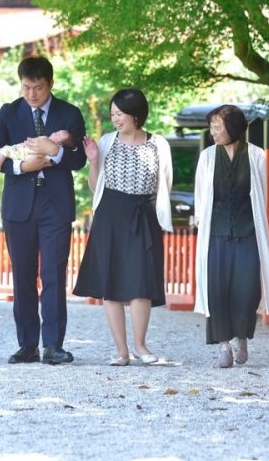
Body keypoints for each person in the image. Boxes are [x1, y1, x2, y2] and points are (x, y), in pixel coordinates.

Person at [0, 56, 87, 365]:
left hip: (55, 204)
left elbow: (78, 160)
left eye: (38, 88)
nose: (31, 95)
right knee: (22, 275)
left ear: (50, 84)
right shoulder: (9, 113)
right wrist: (21, 166)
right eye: (26, 87)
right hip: (19, 205)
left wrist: (55, 152)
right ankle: (27, 344)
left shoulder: (69, 114)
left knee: (53, 274)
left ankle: (53, 345)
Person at [73, 88, 173, 366]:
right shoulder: (107, 141)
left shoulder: (159, 144)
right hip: (110, 216)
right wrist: (93, 160)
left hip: (143, 215)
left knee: (142, 283)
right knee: (112, 283)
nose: (115, 119)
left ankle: (141, 346)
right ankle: (121, 350)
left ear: (136, 115)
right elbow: (95, 188)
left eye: (120, 114)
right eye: (112, 114)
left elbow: (165, 184)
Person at [192, 105, 269, 368]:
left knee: (246, 289)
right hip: (216, 233)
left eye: (218, 127)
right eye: (211, 128)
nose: (213, 133)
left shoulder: (256, 156)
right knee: (217, 288)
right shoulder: (208, 157)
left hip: (248, 232)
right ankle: (223, 345)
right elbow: (201, 197)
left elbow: (261, 196)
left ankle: (241, 337)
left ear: (234, 128)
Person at [0, 129, 76, 172]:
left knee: (7, 150)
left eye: (58, 135)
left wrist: (56, 152)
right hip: (23, 149)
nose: (55, 133)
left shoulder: (52, 150)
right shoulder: (45, 138)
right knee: (9, 149)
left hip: (27, 155)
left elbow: (51, 160)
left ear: (59, 145)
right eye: (57, 132)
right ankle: (1, 151)